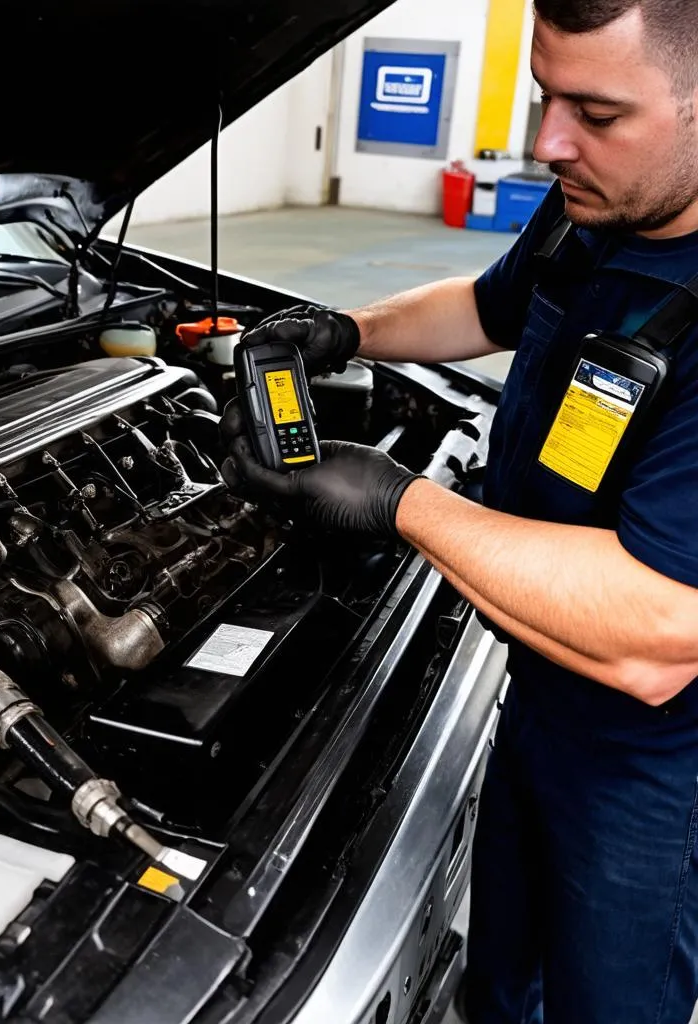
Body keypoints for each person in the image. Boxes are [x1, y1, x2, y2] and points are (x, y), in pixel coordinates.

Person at [220, 2, 698, 1022]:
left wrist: (401, 503)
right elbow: (487, 309)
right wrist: (349, 330)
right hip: (536, 689)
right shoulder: (591, 201)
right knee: (499, 980)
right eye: (544, 97)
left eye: (597, 113)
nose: (546, 142)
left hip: (648, 769)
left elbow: (658, 634)